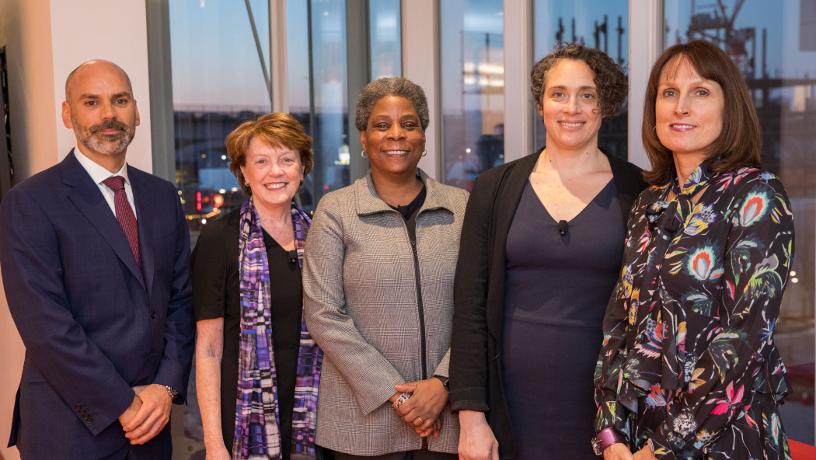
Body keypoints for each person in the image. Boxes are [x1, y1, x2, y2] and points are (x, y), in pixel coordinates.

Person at [594, 40, 794, 460]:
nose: (680, 106)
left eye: (700, 91)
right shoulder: (649, 203)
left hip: (725, 437)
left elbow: (744, 341)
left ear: (729, 107)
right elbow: (618, 327)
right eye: (669, 93)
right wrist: (611, 435)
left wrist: (662, 447)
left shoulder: (755, 195)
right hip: (637, 437)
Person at [449, 44, 646, 460]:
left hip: (608, 414)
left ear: (605, 104)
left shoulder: (640, 191)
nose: (571, 107)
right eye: (558, 93)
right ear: (540, 103)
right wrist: (471, 417)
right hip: (510, 411)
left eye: (586, 94)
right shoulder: (493, 188)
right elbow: (468, 308)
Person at [0, 60, 194, 459]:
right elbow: (46, 328)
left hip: (151, 425)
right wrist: (123, 404)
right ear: (68, 113)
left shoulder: (161, 197)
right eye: (92, 102)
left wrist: (164, 387)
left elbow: (180, 301)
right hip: (70, 427)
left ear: (136, 111)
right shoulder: (30, 203)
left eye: (119, 100)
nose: (109, 114)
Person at [303, 77, 468, 459]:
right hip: (362, 427)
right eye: (381, 125)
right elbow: (323, 315)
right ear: (363, 138)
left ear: (423, 136)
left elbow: (479, 308)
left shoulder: (461, 208)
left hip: (449, 422)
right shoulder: (336, 211)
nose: (397, 134)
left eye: (409, 124)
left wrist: (443, 382)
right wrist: (403, 398)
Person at [193, 113, 324, 460]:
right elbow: (208, 349)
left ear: (302, 167)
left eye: (286, 160)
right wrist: (213, 443)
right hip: (242, 416)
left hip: (313, 410)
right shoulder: (220, 237)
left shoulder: (321, 234)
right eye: (262, 162)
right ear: (244, 172)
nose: (275, 172)